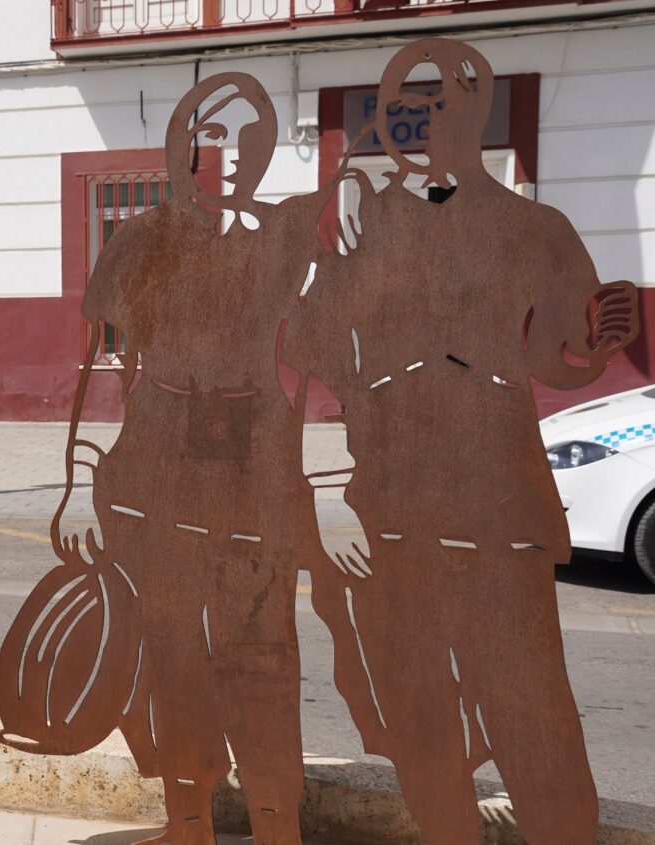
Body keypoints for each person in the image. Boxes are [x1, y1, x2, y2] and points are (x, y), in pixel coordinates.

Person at [285, 38, 639, 845]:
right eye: (398, 107)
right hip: (390, 507)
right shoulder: (358, 229)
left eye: (434, 102)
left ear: (476, 111)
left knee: (531, 711)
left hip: (498, 507)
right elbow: (307, 355)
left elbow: (565, 360)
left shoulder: (535, 229)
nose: (413, 121)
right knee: (416, 719)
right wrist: (339, 210)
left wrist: (603, 345)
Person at [48, 72, 334, 845]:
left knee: (266, 664)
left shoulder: (288, 238)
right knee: (171, 664)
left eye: (251, 140)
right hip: (154, 480)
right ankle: (188, 825)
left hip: (253, 480)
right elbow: (91, 368)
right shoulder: (140, 239)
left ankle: (279, 825)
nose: (232, 156)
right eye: (215, 138)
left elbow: (333, 345)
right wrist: (79, 479)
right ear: (183, 145)